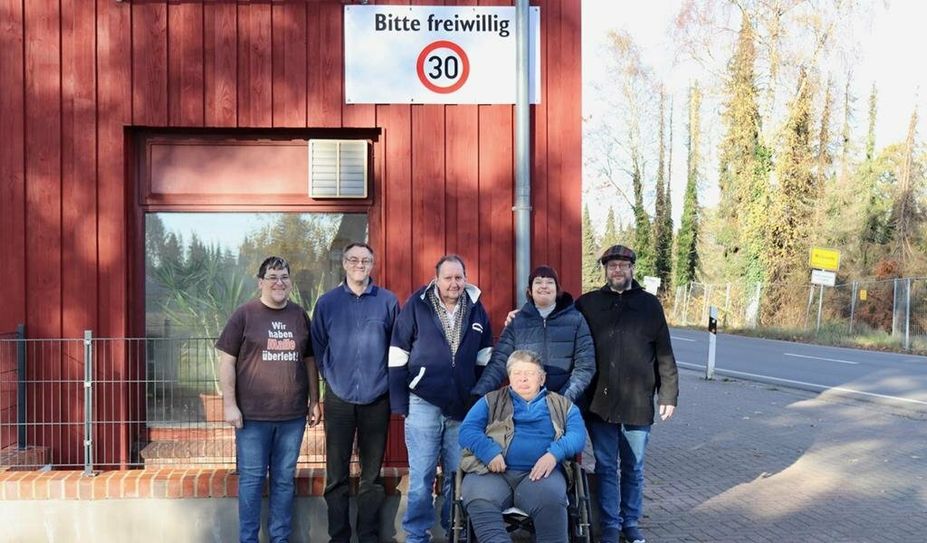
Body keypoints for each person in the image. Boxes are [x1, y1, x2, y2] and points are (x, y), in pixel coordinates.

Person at [575, 245, 679, 543]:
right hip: (600, 400)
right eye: (612, 266)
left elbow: (664, 352)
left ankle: (630, 522)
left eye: (622, 265)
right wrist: (524, 311)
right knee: (607, 466)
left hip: (638, 399)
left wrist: (668, 394)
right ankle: (610, 524)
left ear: (632, 268)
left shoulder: (649, 305)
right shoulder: (588, 304)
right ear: (605, 270)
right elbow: (560, 320)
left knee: (633, 466)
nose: (617, 270)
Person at [216, 256, 322, 543]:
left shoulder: (300, 315)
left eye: (284, 276)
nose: (279, 282)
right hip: (252, 418)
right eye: (273, 277)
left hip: (291, 417)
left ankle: (280, 538)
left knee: (284, 481)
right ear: (261, 282)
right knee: (251, 482)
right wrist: (229, 404)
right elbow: (226, 361)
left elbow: (310, 360)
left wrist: (315, 400)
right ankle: (248, 539)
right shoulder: (245, 314)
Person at [388, 254, 494, 543]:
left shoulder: (476, 309)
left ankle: (454, 532)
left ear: (465, 278)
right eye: (447, 277)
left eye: (459, 277)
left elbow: (485, 358)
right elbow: (398, 353)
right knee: (421, 475)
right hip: (422, 401)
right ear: (436, 280)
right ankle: (416, 536)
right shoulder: (416, 306)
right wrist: (399, 402)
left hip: (462, 405)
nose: (454, 283)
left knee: (456, 474)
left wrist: (478, 397)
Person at [310, 242, 399, 543]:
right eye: (354, 259)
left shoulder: (387, 301)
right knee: (336, 475)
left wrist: (387, 383)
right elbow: (319, 345)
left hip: (377, 398)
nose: (360, 264)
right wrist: (331, 376)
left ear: (373, 265)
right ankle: (338, 536)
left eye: (366, 260)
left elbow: (396, 347)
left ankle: (369, 536)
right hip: (338, 398)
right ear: (345, 264)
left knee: (371, 476)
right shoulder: (327, 303)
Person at [458, 350, 586, 543]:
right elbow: (467, 430)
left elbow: (577, 436)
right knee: (479, 500)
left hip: (541, 476)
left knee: (552, 505)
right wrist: (489, 452)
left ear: (542, 378)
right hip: (490, 473)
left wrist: (553, 455)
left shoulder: (562, 405)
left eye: (529, 373)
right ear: (509, 377)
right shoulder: (490, 400)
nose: (522, 379)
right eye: (516, 373)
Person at [472, 265, 595, 404]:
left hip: (567, 406)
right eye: (538, 282)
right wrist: (479, 393)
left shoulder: (576, 320)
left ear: (557, 289)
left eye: (549, 282)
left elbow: (586, 366)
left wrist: (562, 400)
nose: (544, 286)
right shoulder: (517, 322)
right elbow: (498, 363)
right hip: (526, 406)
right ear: (530, 291)